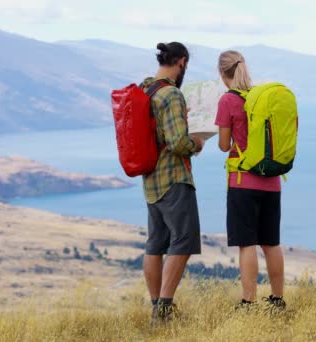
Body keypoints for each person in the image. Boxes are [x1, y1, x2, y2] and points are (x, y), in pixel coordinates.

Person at [214, 50, 286, 310]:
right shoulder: (261, 97)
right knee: (271, 243)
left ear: (223, 74)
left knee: (247, 244)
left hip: (243, 182)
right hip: (272, 181)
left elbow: (224, 145)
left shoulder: (228, 101)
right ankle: (278, 300)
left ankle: (248, 303)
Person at [141, 42, 204, 324]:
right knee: (184, 242)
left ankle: (156, 306)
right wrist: (197, 143)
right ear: (181, 63)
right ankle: (164, 310)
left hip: (151, 180)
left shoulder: (145, 90)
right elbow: (178, 143)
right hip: (174, 179)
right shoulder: (172, 95)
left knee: (155, 244)